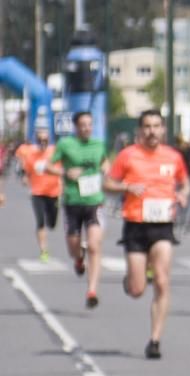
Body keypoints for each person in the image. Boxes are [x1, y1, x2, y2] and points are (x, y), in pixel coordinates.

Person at [103, 110, 190, 359]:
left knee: (163, 281)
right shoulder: (127, 155)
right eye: (147, 126)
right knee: (137, 290)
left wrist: (183, 193)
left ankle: (155, 340)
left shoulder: (173, 157)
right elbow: (107, 184)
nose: (152, 131)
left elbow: (185, 182)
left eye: (156, 126)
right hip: (135, 225)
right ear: (140, 131)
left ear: (163, 129)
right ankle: (132, 280)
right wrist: (126, 186)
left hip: (163, 224)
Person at [47, 111, 109, 309]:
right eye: (83, 125)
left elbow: (105, 162)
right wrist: (65, 171)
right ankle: (78, 259)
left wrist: (109, 170)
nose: (86, 128)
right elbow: (48, 166)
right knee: (74, 246)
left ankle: (92, 291)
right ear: (76, 127)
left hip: (94, 202)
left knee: (94, 246)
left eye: (90, 124)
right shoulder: (66, 144)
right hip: (73, 202)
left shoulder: (98, 145)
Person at [15, 121, 62, 261]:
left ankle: (51, 220)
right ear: (36, 140)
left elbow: (62, 170)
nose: (42, 142)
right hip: (37, 192)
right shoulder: (30, 154)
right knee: (40, 221)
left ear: (49, 140)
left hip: (53, 192)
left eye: (45, 140)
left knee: (52, 224)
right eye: (40, 140)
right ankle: (44, 250)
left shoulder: (55, 152)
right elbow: (26, 171)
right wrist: (24, 177)